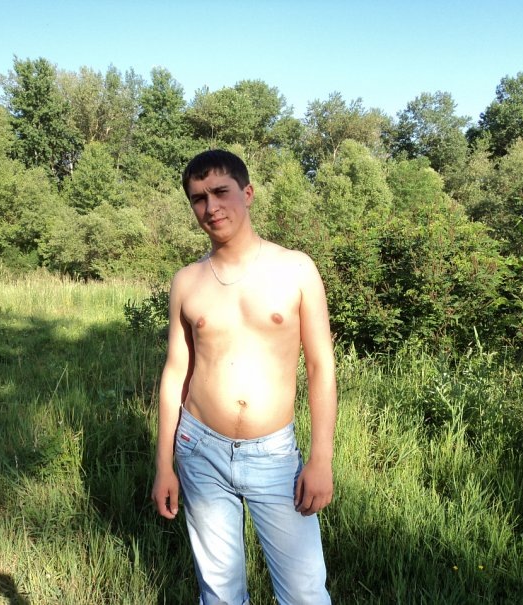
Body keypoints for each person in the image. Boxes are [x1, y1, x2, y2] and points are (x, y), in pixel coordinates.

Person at [151, 149, 337, 604]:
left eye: (221, 192)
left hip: (274, 454)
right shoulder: (186, 281)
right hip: (200, 450)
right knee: (219, 593)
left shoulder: (295, 268)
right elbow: (176, 372)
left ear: (247, 193)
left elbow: (321, 367)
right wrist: (164, 465)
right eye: (198, 198)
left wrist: (321, 459)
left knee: (305, 592)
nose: (211, 207)